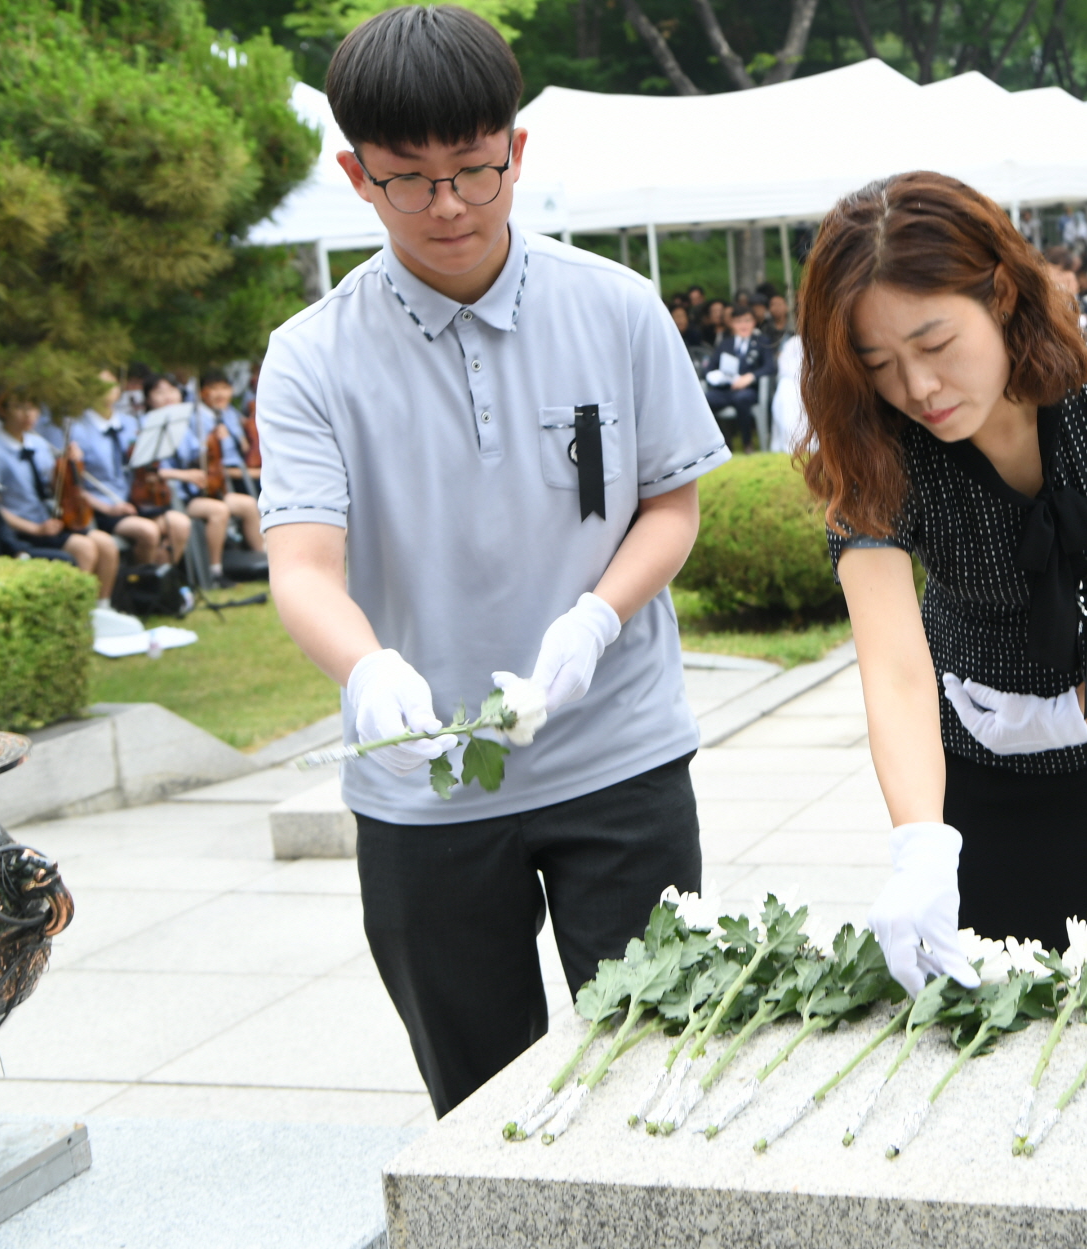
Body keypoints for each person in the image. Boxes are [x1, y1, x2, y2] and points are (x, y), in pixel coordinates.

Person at [257, 5, 728, 1117]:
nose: (449, 206)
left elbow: (669, 501)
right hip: (425, 784)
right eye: (408, 180)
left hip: (617, 752)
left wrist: (595, 621)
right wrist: (370, 671)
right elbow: (304, 565)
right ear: (354, 174)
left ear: (517, 150)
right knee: (479, 1096)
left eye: (475, 169)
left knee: (658, 1070)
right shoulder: (309, 357)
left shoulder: (614, 307)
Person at [797, 170, 1087, 981]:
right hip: (977, 758)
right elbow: (896, 667)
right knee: (997, 1011)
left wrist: (1082, 705)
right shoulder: (875, 439)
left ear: (1004, 294)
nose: (916, 389)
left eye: (935, 344)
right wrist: (918, 844)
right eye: (878, 362)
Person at [0, 391, 120, 596]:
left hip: (50, 522)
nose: (28, 415)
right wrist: (35, 529)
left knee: (106, 544)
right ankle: (76, 610)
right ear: (2, 410)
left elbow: (55, 487)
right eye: (19, 407)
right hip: (22, 529)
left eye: (32, 408)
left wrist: (70, 464)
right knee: (84, 548)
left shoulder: (39, 443)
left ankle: (102, 607)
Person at [69, 370, 191, 567]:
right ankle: (142, 587)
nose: (106, 391)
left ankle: (162, 579)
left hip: (137, 500)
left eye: (111, 384)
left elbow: (143, 466)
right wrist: (109, 508)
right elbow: (75, 485)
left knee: (180, 524)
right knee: (148, 531)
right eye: (98, 386)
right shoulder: (78, 429)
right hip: (105, 507)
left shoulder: (129, 422)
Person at [167, 369, 265, 586]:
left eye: (224, 388)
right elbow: (199, 457)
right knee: (219, 511)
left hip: (220, 483)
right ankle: (215, 572)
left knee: (248, 504)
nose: (220, 394)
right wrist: (212, 441)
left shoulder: (229, 413)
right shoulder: (195, 418)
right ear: (202, 392)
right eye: (214, 388)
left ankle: (266, 562)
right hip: (199, 488)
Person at [704, 304, 776, 450]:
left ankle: (747, 443)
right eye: (738, 321)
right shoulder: (726, 344)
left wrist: (751, 376)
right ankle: (722, 444)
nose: (743, 325)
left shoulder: (762, 341)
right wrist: (718, 377)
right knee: (705, 400)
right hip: (726, 389)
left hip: (749, 390)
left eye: (747, 320)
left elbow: (771, 367)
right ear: (732, 324)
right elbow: (708, 369)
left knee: (741, 398)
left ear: (754, 322)